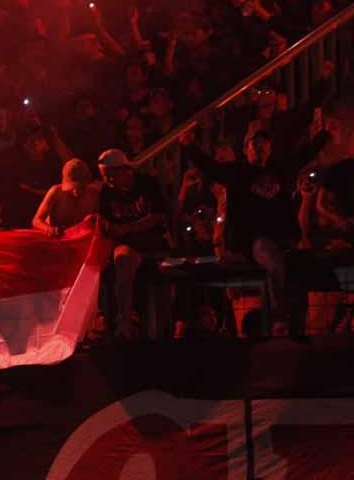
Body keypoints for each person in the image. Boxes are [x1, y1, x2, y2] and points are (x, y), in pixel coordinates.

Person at [180, 126, 329, 332]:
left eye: (264, 142)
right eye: (255, 142)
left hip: (285, 239)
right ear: (245, 149)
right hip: (255, 240)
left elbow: (304, 155)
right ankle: (280, 319)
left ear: (270, 147)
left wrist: (324, 135)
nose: (260, 146)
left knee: (303, 267)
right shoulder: (237, 172)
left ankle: (302, 327)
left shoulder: (281, 169)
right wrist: (189, 146)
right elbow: (210, 167)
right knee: (273, 261)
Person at [97, 148, 170, 339]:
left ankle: (164, 328)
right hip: (126, 243)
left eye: (111, 176)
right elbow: (104, 220)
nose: (108, 181)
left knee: (165, 280)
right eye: (105, 177)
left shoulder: (148, 184)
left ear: (125, 171)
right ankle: (124, 320)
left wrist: (127, 228)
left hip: (152, 240)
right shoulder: (106, 191)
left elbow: (159, 215)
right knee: (122, 259)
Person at [32, 159, 100, 236]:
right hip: (56, 238)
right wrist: (49, 229)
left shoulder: (95, 193)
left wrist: (94, 220)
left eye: (80, 187)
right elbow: (36, 220)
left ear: (87, 181)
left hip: (80, 237)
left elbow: (101, 221)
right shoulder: (56, 192)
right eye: (72, 188)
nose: (75, 191)